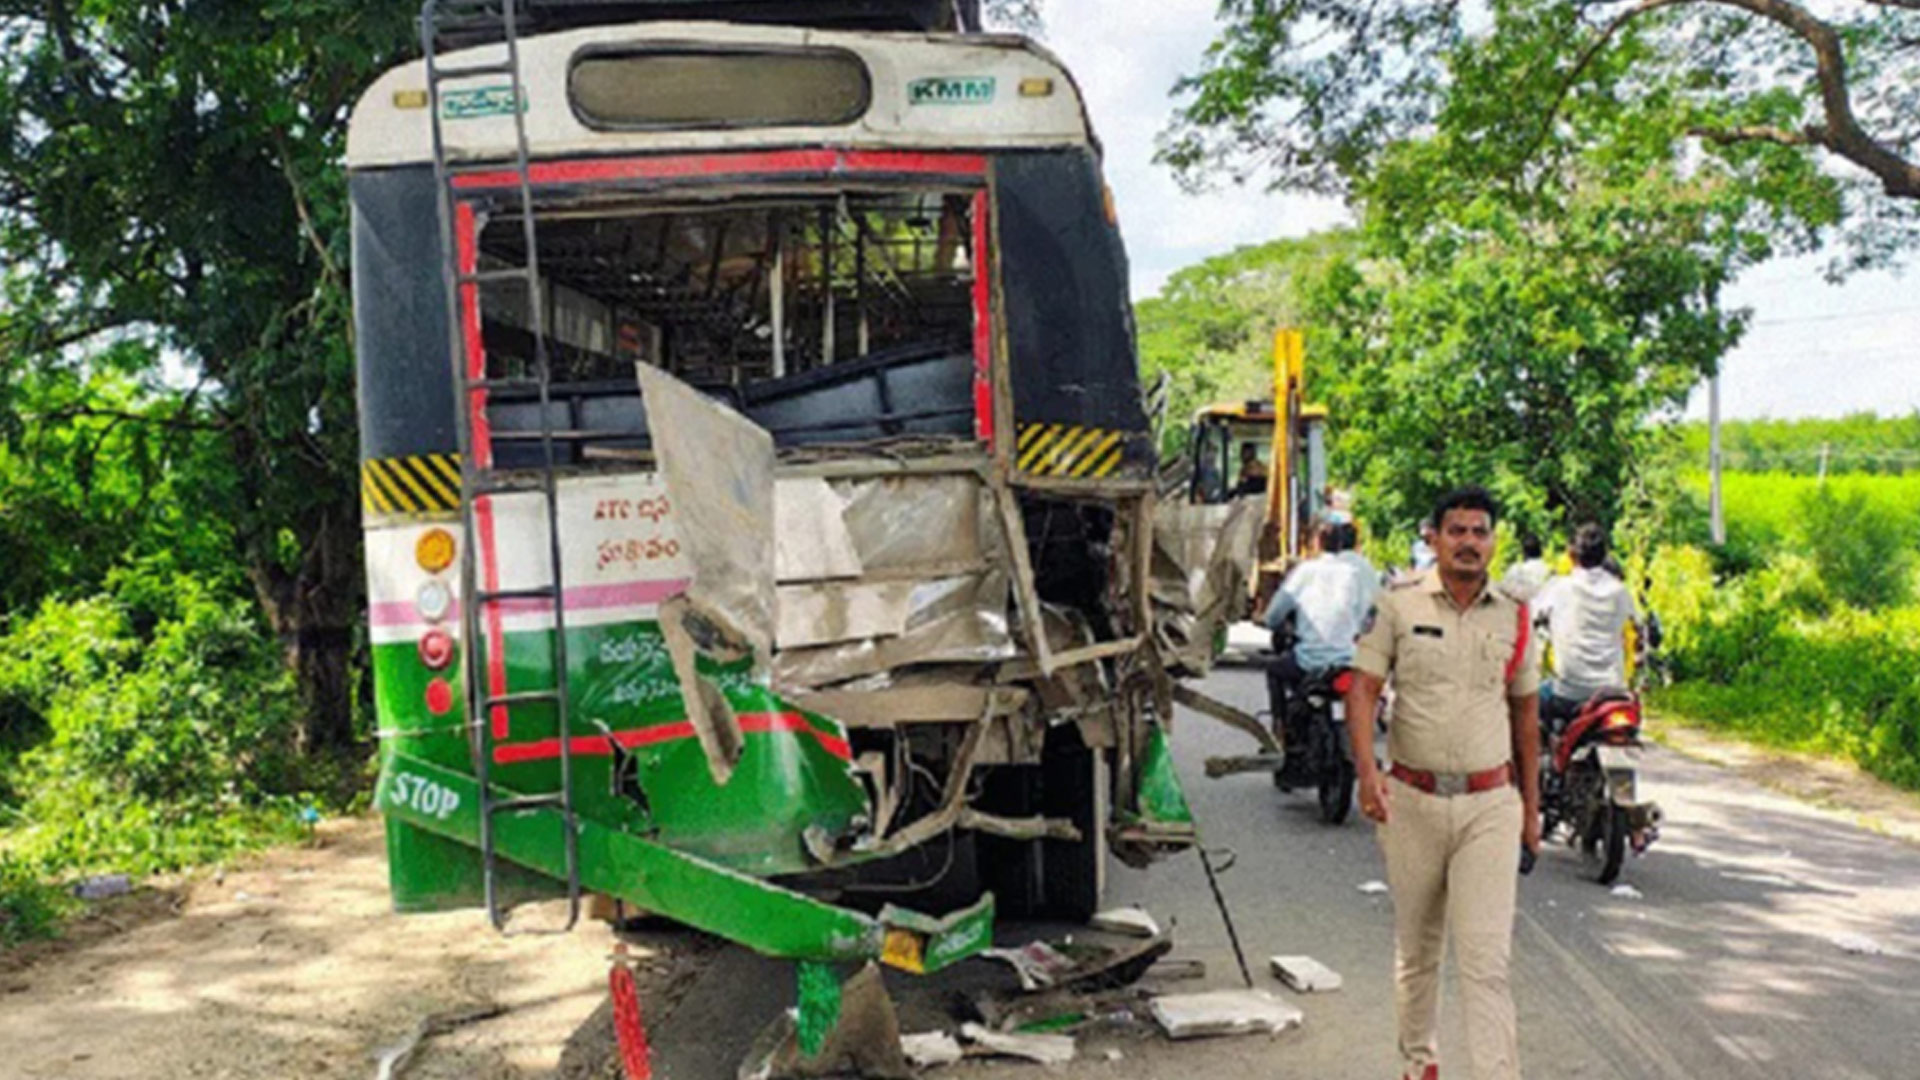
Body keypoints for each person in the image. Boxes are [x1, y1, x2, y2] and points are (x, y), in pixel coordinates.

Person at [1344, 486, 1542, 1080]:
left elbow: (1526, 715)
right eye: (1457, 531)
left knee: (1486, 961)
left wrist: (1531, 809)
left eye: (1480, 532)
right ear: (1434, 538)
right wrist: (1367, 774)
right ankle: (1418, 1065)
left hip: (1489, 805)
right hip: (1412, 801)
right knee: (1418, 952)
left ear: (1493, 542)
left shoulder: (1513, 614)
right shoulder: (1399, 605)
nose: (1469, 543)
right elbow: (1363, 692)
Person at [1263, 522, 1378, 763]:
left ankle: (1280, 731)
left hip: (1309, 660)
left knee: (1275, 671)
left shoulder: (1305, 571)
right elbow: (1371, 612)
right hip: (1349, 658)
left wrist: (1272, 622)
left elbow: (1274, 615)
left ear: (1316, 543)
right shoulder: (1356, 574)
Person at [1533, 523, 1638, 730]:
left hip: (1567, 692)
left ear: (1573, 555)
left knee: (1529, 701)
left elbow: (1531, 616)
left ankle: (1535, 761)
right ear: (1605, 555)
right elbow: (1639, 624)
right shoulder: (1620, 592)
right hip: (1612, 691)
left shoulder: (1558, 587)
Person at [1498, 533, 1552, 602]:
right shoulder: (1549, 572)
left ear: (1523, 551)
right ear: (1541, 551)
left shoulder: (1517, 570)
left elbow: (1503, 589)